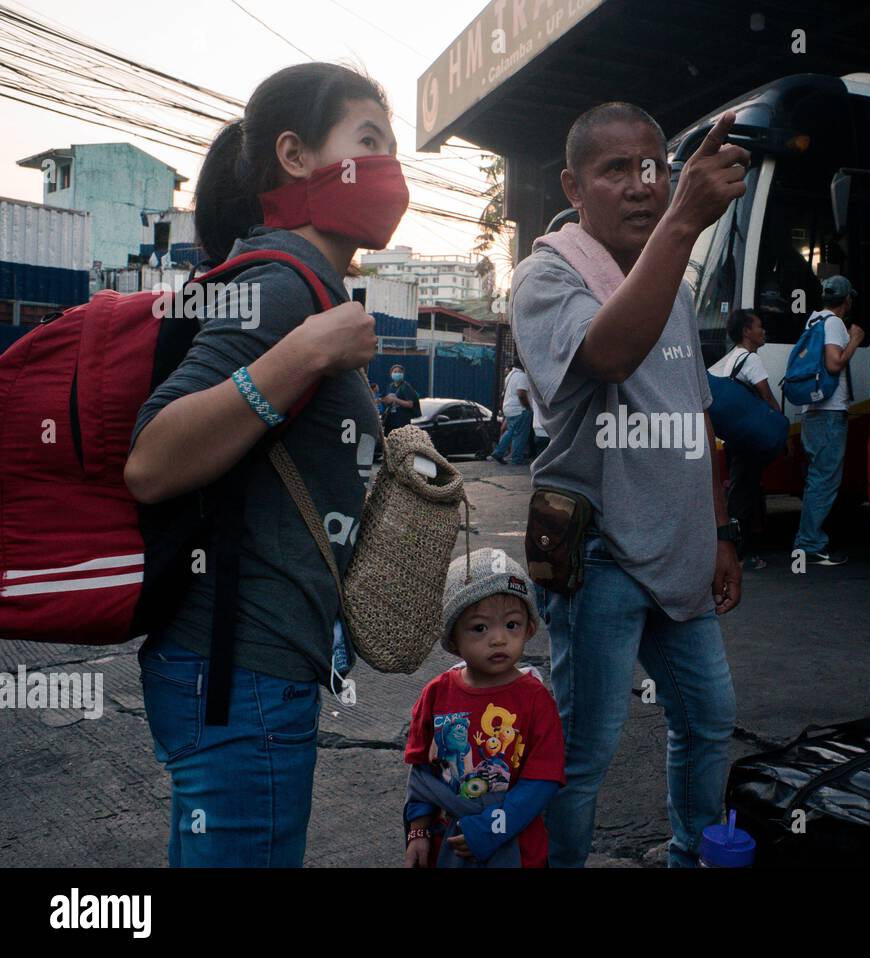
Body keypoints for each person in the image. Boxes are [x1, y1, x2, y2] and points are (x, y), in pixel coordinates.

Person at [124, 63, 404, 866]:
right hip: (240, 671)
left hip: (243, 668)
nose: (389, 169)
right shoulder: (282, 289)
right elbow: (152, 458)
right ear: (294, 154)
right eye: (368, 142)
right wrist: (305, 353)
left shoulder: (304, 284)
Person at [511, 101, 747, 867]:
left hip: (680, 559)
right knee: (583, 759)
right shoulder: (547, 274)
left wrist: (721, 533)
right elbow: (608, 354)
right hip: (600, 560)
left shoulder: (670, 284)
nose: (645, 186)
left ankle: (691, 857)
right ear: (574, 185)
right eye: (618, 170)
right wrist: (685, 223)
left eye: (656, 168)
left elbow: (697, 418)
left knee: (709, 723)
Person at [402, 548, 565, 868]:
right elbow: (421, 775)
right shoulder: (437, 694)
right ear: (453, 638)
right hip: (447, 845)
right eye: (480, 628)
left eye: (512, 625)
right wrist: (415, 833)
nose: (498, 639)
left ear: (529, 629)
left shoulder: (536, 700)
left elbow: (542, 781)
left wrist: (493, 829)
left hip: (514, 845)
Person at [792, 275, 866, 566]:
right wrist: (857, 339)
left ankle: (808, 540)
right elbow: (835, 363)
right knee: (824, 480)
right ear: (847, 299)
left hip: (812, 412)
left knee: (816, 479)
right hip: (828, 412)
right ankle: (810, 544)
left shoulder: (813, 320)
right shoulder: (834, 323)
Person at [708, 308, 779, 570]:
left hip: (734, 437)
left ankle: (740, 548)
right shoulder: (751, 359)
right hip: (750, 439)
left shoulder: (731, 358)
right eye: (759, 326)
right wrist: (779, 424)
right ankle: (740, 553)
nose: (763, 331)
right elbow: (768, 398)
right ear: (747, 331)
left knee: (741, 490)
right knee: (743, 494)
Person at [490, 362, 532, 464]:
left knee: (510, 432)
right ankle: (517, 458)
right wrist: (527, 407)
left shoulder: (510, 375)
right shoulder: (522, 376)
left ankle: (499, 452)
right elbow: (521, 393)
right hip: (519, 409)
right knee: (520, 435)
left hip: (509, 409)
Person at [381, 363, 420, 434]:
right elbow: (388, 402)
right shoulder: (390, 386)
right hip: (390, 421)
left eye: (399, 372)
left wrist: (395, 399)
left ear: (403, 374)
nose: (397, 373)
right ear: (391, 374)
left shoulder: (406, 387)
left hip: (402, 422)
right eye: (395, 372)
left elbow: (410, 404)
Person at [526, 374, 549, 458]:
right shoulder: (548, 392)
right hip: (549, 429)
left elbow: (531, 405)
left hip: (537, 427)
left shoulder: (534, 391)